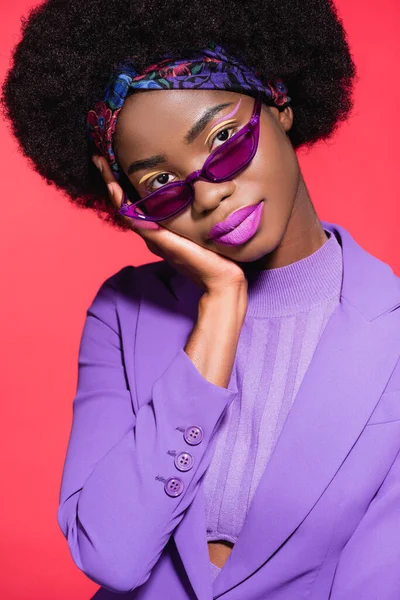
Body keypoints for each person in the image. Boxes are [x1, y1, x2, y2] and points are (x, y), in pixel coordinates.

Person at [2, 0, 400, 598]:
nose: (209, 194)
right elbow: (109, 554)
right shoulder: (124, 313)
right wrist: (219, 305)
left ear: (280, 105)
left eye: (221, 139)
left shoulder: (389, 333)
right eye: (161, 182)